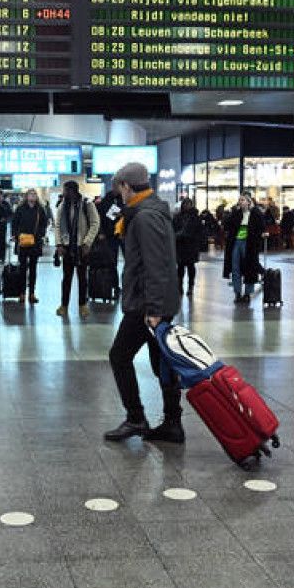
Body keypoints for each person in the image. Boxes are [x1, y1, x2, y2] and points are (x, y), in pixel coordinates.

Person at [103, 162, 182, 443]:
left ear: (127, 186)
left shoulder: (145, 217)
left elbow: (156, 265)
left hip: (146, 305)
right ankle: (172, 423)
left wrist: (155, 309)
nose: (120, 196)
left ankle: (136, 418)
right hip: (152, 302)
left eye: (120, 189)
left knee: (119, 356)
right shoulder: (147, 211)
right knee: (161, 362)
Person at [54, 180, 101, 317]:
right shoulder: (63, 205)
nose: (63, 193)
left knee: (82, 278)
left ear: (72, 191)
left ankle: (82, 305)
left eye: (65, 190)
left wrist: (87, 243)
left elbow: (95, 223)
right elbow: (58, 225)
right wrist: (59, 244)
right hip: (67, 246)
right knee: (66, 278)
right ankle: (64, 305)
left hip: (82, 246)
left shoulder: (87, 204)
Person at [223, 193, 265, 305]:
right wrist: (232, 212)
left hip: (249, 243)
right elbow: (226, 224)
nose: (240, 202)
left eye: (243, 200)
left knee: (249, 267)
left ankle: (247, 293)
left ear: (249, 202)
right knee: (235, 267)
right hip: (236, 242)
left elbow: (261, 226)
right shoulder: (236, 214)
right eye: (239, 200)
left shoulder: (255, 213)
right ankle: (237, 292)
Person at [11, 189, 49, 305]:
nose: (33, 196)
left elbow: (44, 223)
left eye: (34, 194)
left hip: (35, 242)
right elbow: (14, 223)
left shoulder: (40, 209)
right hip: (22, 242)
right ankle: (22, 293)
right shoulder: (20, 209)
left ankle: (32, 293)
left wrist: (40, 235)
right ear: (26, 196)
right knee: (22, 268)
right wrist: (16, 235)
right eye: (30, 194)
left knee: (33, 268)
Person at [173, 198, 204, 295]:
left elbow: (199, 231)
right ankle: (179, 285)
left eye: (189, 204)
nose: (187, 206)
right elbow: (173, 228)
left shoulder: (195, 217)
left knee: (191, 267)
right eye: (185, 204)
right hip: (181, 245)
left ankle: (190, 286)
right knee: (180, 267)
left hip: (191, 245)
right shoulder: (178, 217)